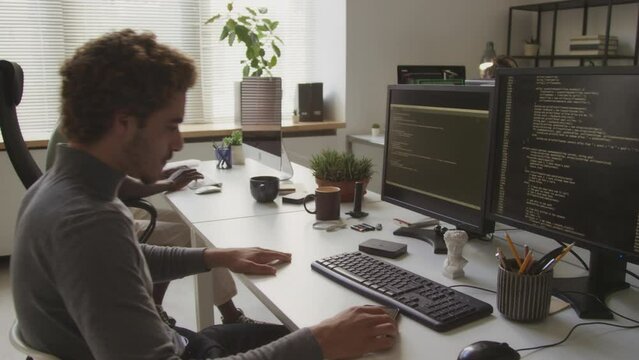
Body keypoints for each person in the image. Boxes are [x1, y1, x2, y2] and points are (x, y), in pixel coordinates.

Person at [11, 29, 398, 359]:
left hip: (175, 342)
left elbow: (124, 259)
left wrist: (218, 256)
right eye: (172, 125)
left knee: (309, 331)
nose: (179, 142)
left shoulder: (56, 189)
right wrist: (320, 343)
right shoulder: (89, 222)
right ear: (124, 123)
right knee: (337, 342)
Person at [46, 125, 261, 325]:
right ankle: (226, 314)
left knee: (189, 223)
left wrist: (157, 176)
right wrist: (168, 183)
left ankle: (160, 306)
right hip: (107, 215)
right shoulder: (85, 128)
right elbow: (118, 186)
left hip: (116, 206)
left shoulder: (82, 123)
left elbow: (115, 177)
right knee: (190, 233)